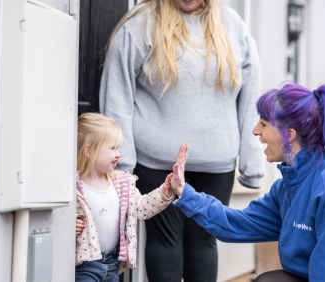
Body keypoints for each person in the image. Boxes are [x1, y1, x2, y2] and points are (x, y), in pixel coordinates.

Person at [168, 83, 325, 281]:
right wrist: (184, 193)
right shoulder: (290, 184)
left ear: (288, 135)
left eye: (263, 123)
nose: (255, 131)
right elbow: (237, 224)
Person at [99, 0, 264, 281]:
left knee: (204, 242)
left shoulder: (233, 25)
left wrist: (252, 163)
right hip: (158, 162)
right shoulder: (140, 23)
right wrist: (121, 165)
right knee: (165, 242)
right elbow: (117, 93)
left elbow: (251, 99)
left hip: (217, 165)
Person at [74, 113, 175, 281]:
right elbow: (59, 217)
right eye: (113, 148)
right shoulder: (74, 185)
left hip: (112, 263)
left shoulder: (121, 183)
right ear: (89, 151)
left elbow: (141, 207)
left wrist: (164, 193)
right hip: (85, 267)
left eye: (119, 148)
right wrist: (69, 224)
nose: (119, 154)